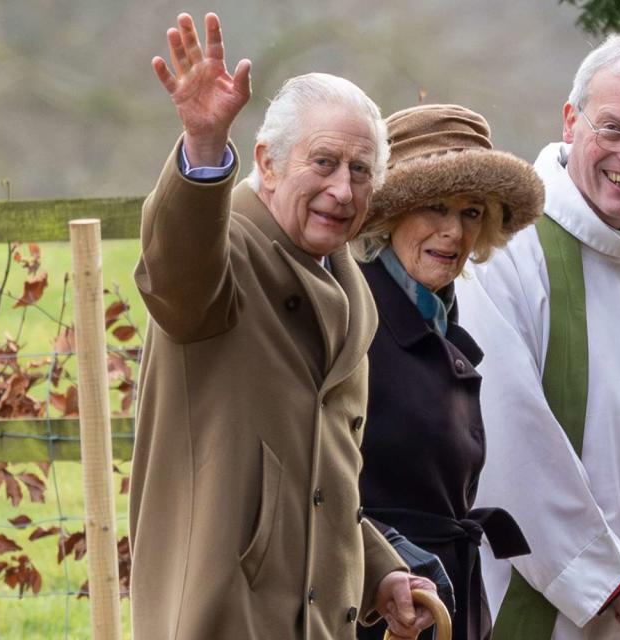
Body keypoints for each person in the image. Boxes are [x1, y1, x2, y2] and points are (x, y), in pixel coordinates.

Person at [129, 13, 436, 640]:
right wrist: (204, 150)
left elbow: (319, 477)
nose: (342, 190)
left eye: (360, 170)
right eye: (322, 162)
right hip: (219, 618)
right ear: (266, 163)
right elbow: (175, 277)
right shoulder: (225, 252)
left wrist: (379, 570)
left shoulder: (349, 284)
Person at [455, 34, 620, 640]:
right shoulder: (507, 247)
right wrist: (611, 581)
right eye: (613, 129)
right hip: (537, 602)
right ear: (571, 120)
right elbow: (501, 432)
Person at [351, 104, 541, 640]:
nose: (453, 231)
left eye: (471, 212)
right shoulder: (354, 315)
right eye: (433, 206)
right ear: (390, 215)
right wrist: (391, 568)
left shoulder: (436, 314)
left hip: (443, 596)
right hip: (383, 609)